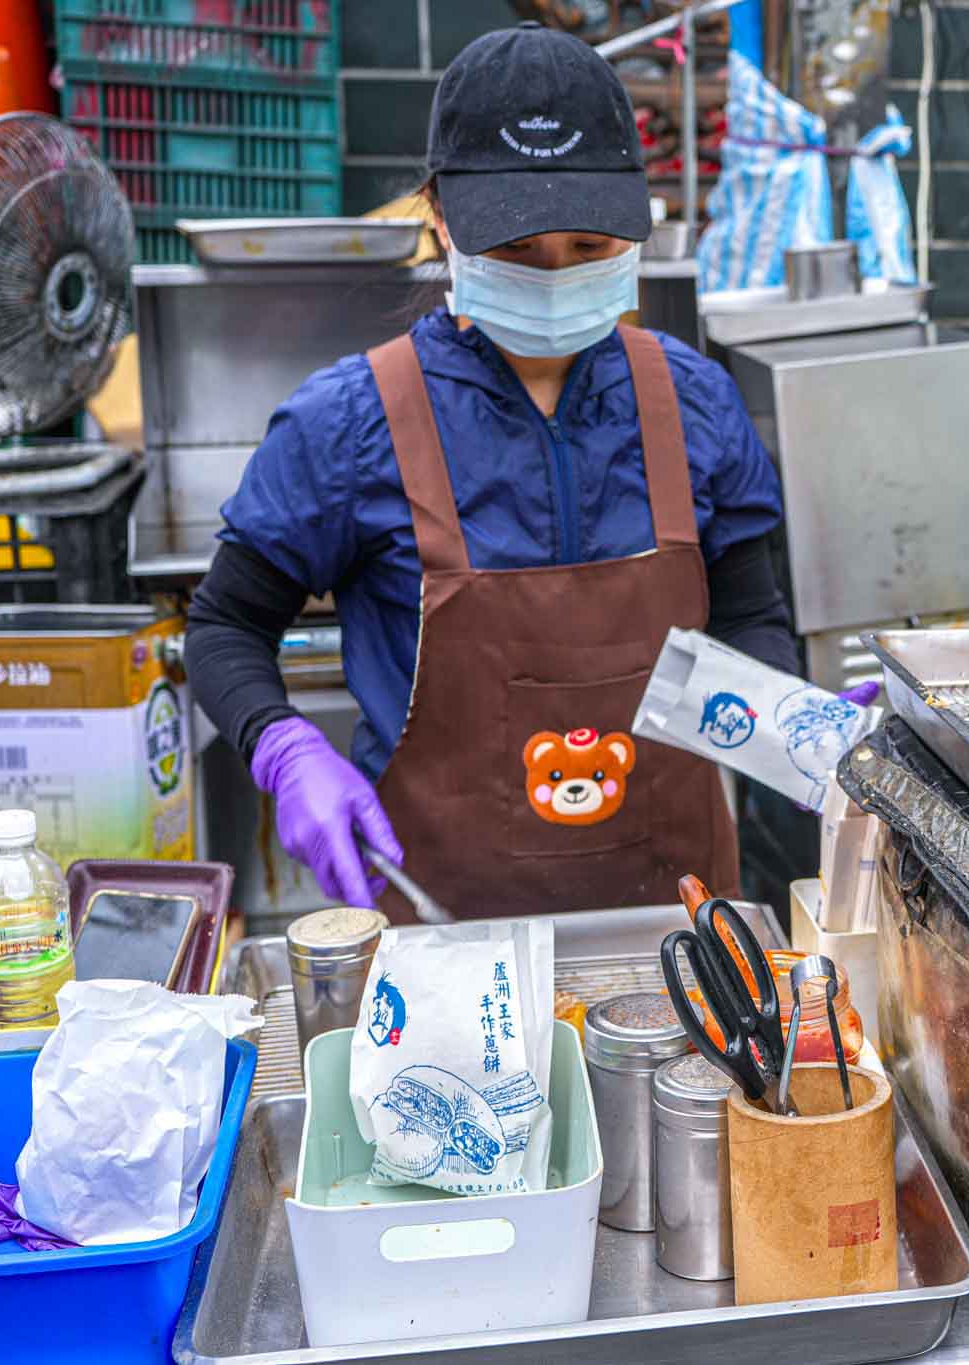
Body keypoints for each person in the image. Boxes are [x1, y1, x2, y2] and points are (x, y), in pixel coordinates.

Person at [186, 24, 800, 921]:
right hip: (441, 960)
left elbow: (748, 617)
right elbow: (225, 625)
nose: (554, 275)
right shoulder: (349, 424)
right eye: (515, 249)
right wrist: (282, 745)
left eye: (589, 248)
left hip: (683, 943)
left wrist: (791, 726)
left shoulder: (694, 402)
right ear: (439, 216)